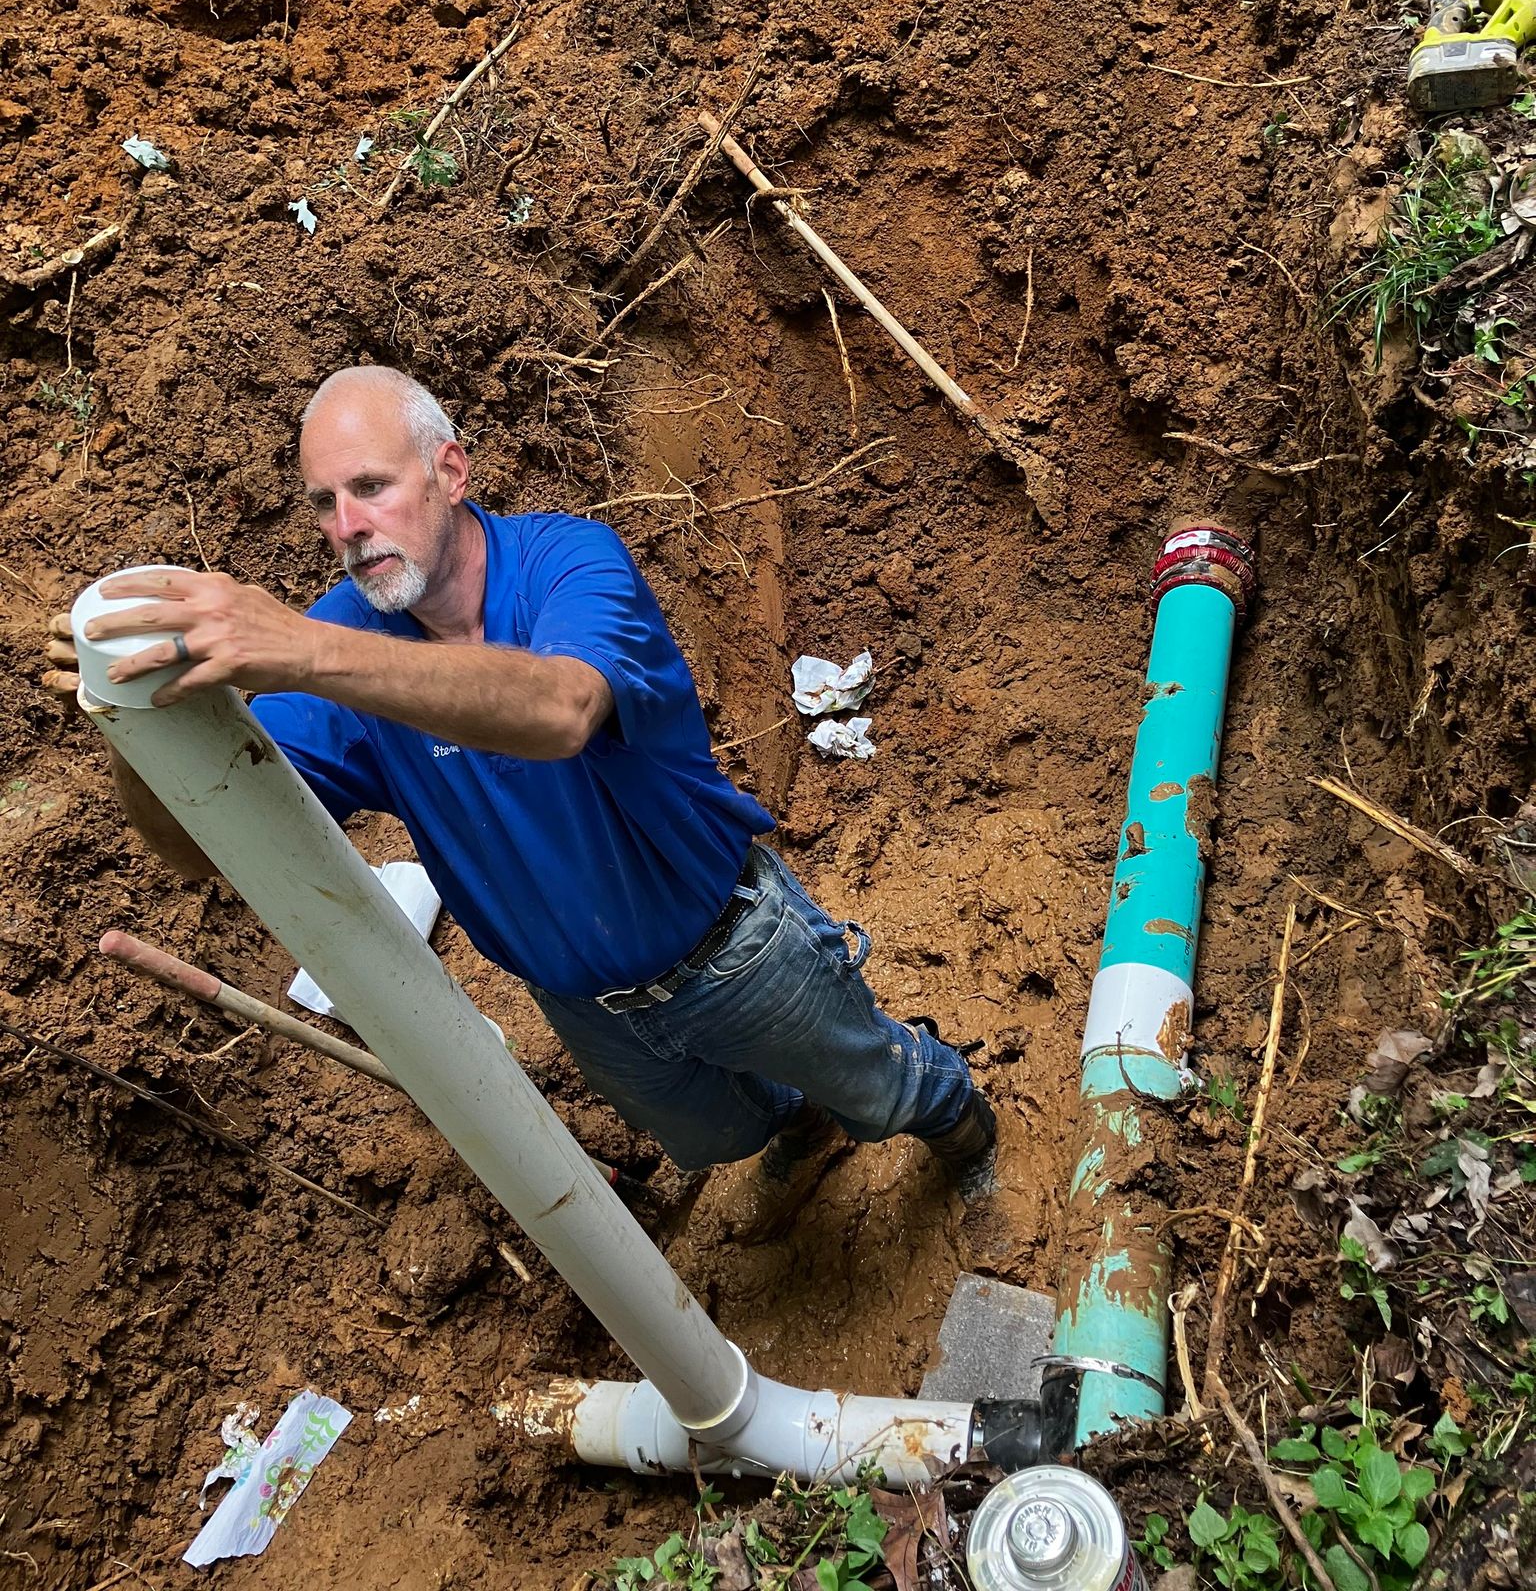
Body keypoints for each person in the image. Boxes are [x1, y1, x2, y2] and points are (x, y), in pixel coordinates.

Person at [45, 366, 997, 1237]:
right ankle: (798, 1123)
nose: (345, 524)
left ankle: (964, 1134)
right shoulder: (338, 639)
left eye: (370, 487)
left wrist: (299, 651)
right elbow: (205, 845)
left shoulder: (568, 563)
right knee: (720, 1135)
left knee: (883, 1081)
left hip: (734, 950)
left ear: (451, 471)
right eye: (323, 505)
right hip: (586, 1008)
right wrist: (131, 721)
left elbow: (560, 708)